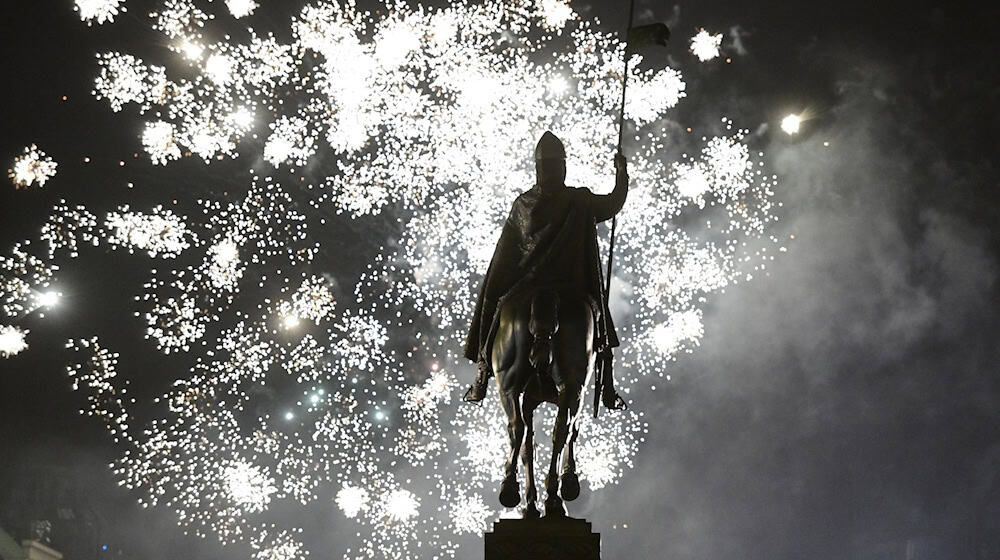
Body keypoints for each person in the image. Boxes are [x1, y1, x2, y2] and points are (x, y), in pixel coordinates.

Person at [463, 131, 628, 410]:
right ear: (562, 166)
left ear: (538, 168)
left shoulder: (523, 204)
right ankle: (608, 386)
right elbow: (614, 203)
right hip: (571, 286)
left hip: (527, 285)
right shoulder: (580, 200)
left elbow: (506, 256)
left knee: (492, 305)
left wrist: (498, 287)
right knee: (599, 326)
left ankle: (482, 374)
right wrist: (621, 173)